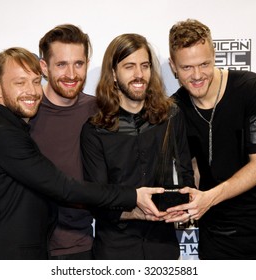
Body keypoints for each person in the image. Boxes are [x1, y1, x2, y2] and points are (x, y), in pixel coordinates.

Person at [0, 46, 164, 260]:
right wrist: (133, 195)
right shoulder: (3, 134)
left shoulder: (14, 126)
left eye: (36, 82)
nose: (32, 90)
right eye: (20, 83)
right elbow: (64, 187)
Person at [0, 24, 96, 260]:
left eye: (79, 64)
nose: (71, 74)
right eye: (61, 64)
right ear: (44, 66)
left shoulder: (98, 110)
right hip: (26, 247)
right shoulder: (24, 108)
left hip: (78, 245)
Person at [165, 19, 256, 259]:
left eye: (204, 64)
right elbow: (193, 169)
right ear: (173, 66)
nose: (197, 75)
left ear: (214, 55)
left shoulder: (251, 89)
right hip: (216, 240)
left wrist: (209, 198)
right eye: (186, 68)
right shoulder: (175, 109)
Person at [80, 33, 195, 260]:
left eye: (144, 65)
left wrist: (185, 208)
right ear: (113, 73)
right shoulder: (95, 130)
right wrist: (137, 210)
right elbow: (97, 200)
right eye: (129, 67)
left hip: (163, 248)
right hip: (115, 252)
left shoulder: (171, 116)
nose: (139, 75)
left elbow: (185, 175)